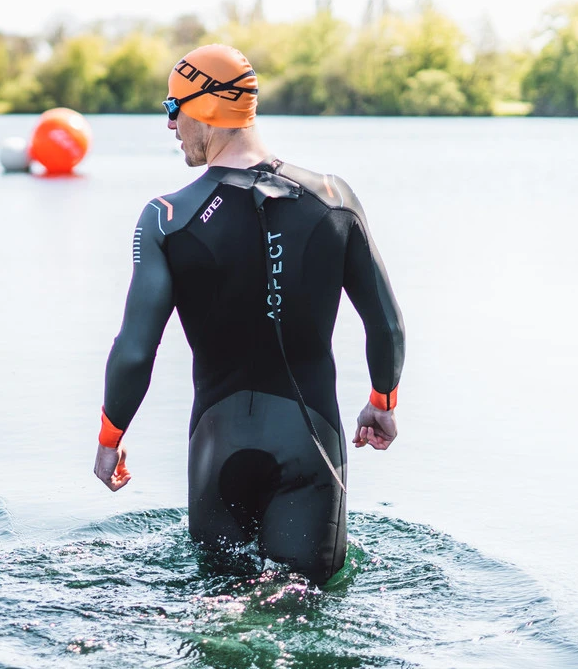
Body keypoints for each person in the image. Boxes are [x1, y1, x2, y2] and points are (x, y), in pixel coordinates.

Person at [92, 45, 404, 583]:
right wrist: (381, 401)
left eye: (174, 107)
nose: (171, 126)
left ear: (206, 108)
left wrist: (109, 435)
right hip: (313, 448)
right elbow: (387, 323)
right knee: (304, 615)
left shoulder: (166, 219)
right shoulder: (335, 197)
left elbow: (136, 349)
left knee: (219, 618)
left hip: (218, 449)